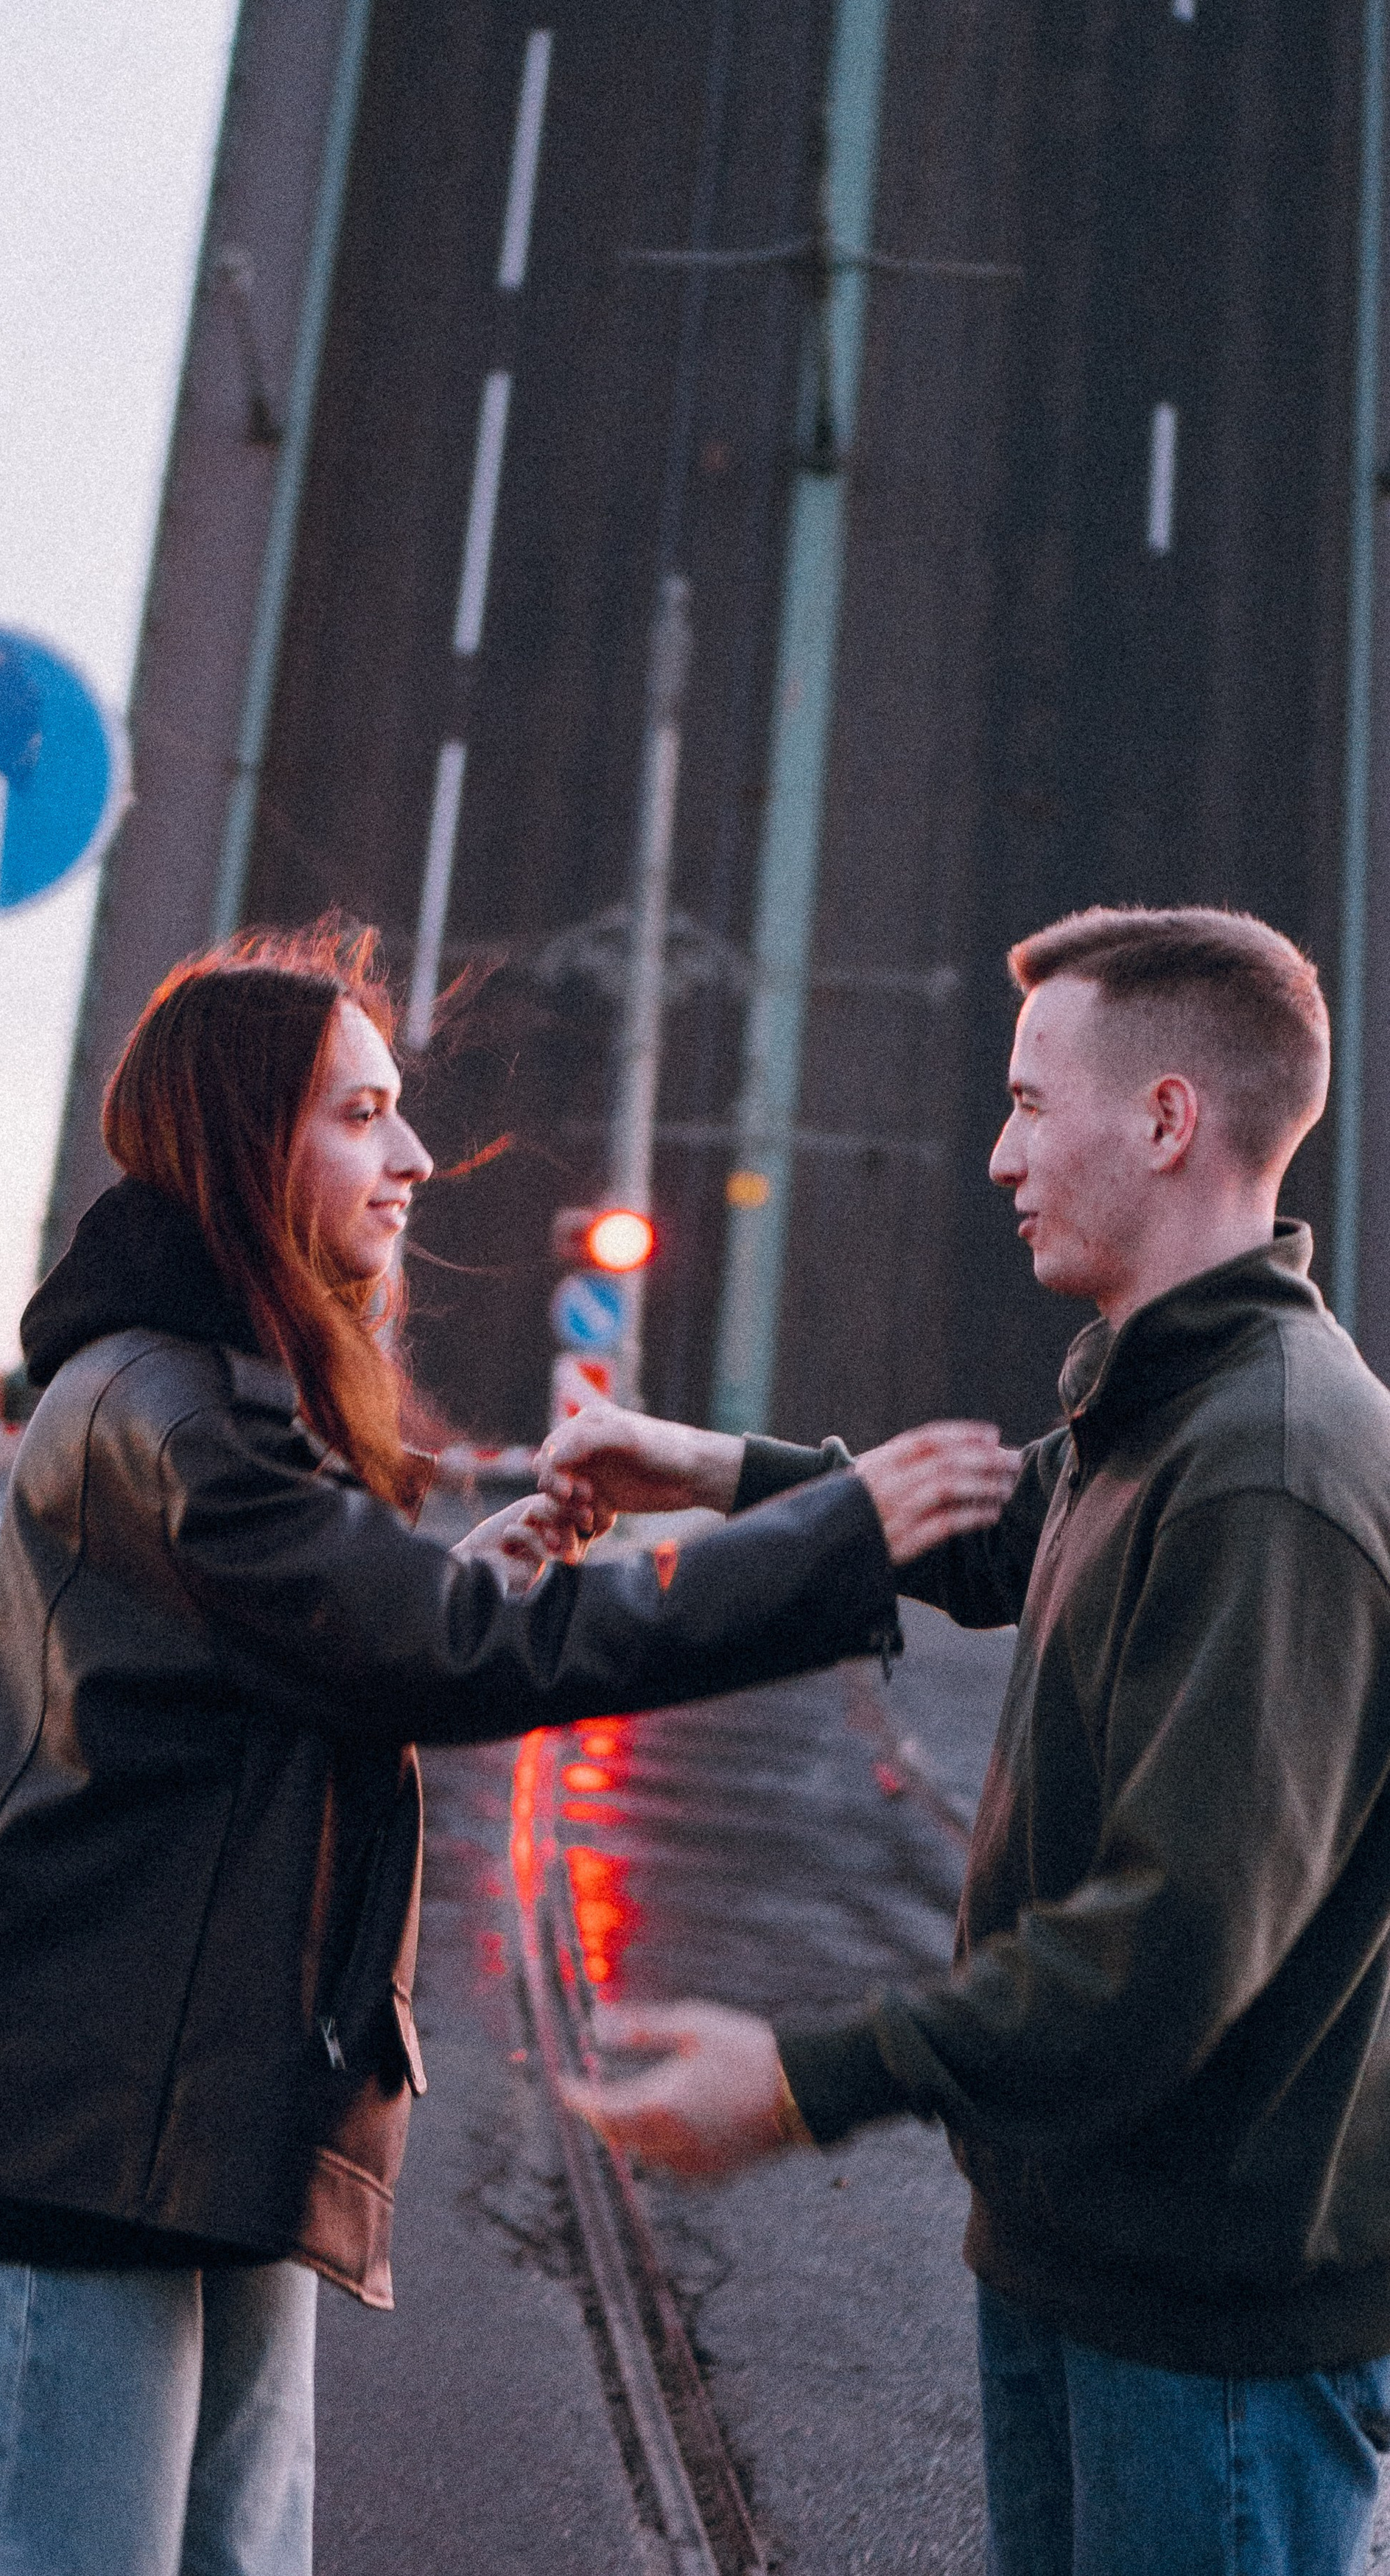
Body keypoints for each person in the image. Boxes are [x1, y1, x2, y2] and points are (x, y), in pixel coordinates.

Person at [0, 922, 1015, 2576]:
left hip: (186, 2135)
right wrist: (824, 1538)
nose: (412, 1156)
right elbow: (443, 1660)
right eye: (359, 1113)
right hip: (84, 2155)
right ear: (235, 1138)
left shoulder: (220, 1393)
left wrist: (450, 1582)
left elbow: (342, 1649)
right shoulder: (177, 1416)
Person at [538, 904, 1390, 2576]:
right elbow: (992, 1533)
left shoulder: (1271, 1466)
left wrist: (804, 2080)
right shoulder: (1156, 1407)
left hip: (1204, 2327)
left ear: (1162, 1119)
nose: (997, 1157)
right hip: (1081, 2261)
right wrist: (699, 1467)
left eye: (1023, 1103)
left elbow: (1168, 1949)